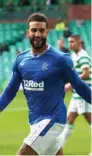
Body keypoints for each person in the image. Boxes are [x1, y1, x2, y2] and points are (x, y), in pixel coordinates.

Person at [0, 13, 91, 155]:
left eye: (41, 30)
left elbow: (79, 85)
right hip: (35, 122)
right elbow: (11, 90)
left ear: (47, 32)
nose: (37, 34)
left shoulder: (60, 59)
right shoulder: (21, 60)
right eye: (34, 30)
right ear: (27, 33)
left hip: (53, 121)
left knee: (22, 154)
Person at [62, 35, 92, 147]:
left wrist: (71, 84)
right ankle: (56, 150)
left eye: (72, 42)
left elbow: (86, 73)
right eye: (69, 42)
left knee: (89, 119)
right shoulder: (74, 56)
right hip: (77, 94)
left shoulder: (83, 55)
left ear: (79, 42)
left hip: (84, 93)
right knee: (69, 120)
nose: (70, 44)